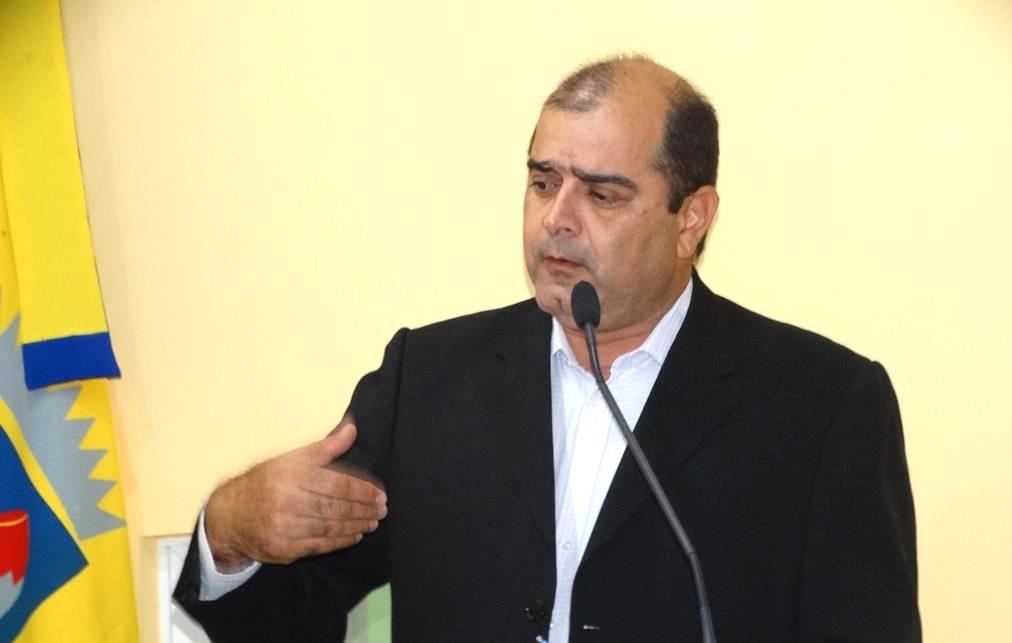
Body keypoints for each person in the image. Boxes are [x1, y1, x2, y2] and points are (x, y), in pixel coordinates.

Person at [173, 55, 920, 642]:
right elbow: (288, 618)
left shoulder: (821, 408)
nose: (557, 218)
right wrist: (231, 531)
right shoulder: (428, 380)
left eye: (602, 194)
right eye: (542, 182)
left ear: (691, 219)